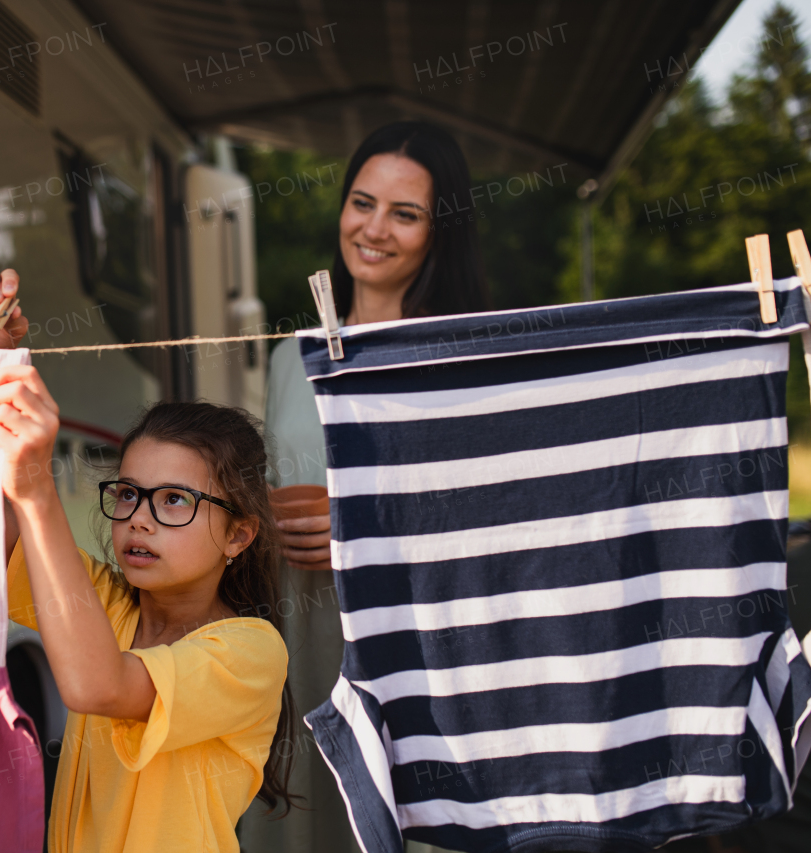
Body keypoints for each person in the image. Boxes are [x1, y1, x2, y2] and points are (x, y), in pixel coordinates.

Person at [0, 269, 303, 853]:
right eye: (130, 493)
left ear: (239, 535)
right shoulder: (109, 605)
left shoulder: (251, 653)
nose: (139, 517)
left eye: (174, 501)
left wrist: (38, 484)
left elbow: (98, 686)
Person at [239, 121, 491, 853]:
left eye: (405, 213)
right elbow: (280, 477)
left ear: (440, 233)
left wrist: (365, 526)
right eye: (362, 202)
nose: (374, 228)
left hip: (413, 665)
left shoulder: (456, 361)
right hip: (301, 646)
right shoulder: (293, 355)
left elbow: (492, 520)